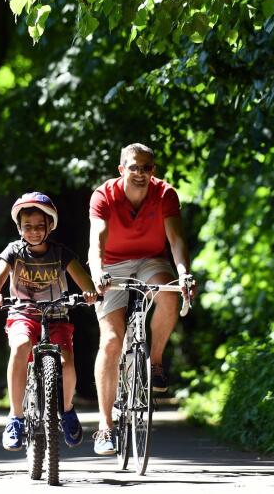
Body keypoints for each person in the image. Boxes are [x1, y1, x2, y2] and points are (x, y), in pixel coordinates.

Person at [87, 143, 195, 455]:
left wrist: (184, 273)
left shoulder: (165, 194)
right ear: (122, 169)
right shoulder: (103, 195)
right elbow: (97, 238)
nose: (140, 173)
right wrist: (96, 271)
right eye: (134, 167)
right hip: (111, 264)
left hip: (150, 260)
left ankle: (156, 362)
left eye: (146, 168)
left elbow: (175, 239)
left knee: (168, 294)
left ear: (153, 171)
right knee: (110, 339)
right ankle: (105, 427)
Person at [0, 192, 98, 452]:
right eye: (28, 227)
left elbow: (84, 281)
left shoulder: (61, 253)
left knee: (67, 359)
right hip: (22, 315)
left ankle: (67, 410)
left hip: (57, 316)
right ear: (19, 228)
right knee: (20, 345)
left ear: (50, 226)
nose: (34, 232)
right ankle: (15, 417)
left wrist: (90, 292)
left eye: (39, 226)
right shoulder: (14, 251)